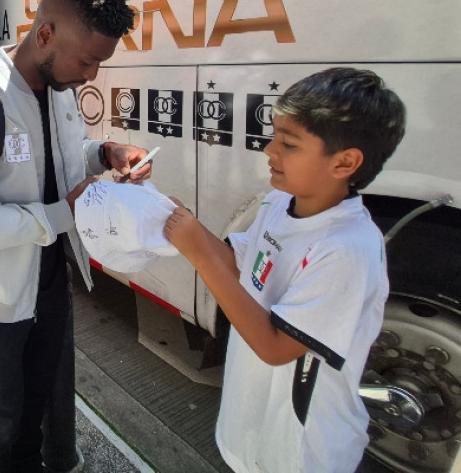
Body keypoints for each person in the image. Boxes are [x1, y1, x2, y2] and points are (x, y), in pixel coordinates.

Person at [0, 0, 152, 472]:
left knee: (35, 411)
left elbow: (66, 155)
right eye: (88, 60)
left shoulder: (60, 88)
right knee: (0, 420)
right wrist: (61, 213)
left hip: (51, 285)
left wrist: (107, 153)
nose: (92, 74)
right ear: (46, 34)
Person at [163, 68, 406, 473]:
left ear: (345, 162)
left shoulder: (347, 250)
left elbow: (276, 347)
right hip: (251, 431)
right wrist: (178, 220)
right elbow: (238, 264)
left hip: (301, 451)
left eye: (288, 144)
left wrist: (199, 255)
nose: (269, 150)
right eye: (274, 136)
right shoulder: (279, 203)